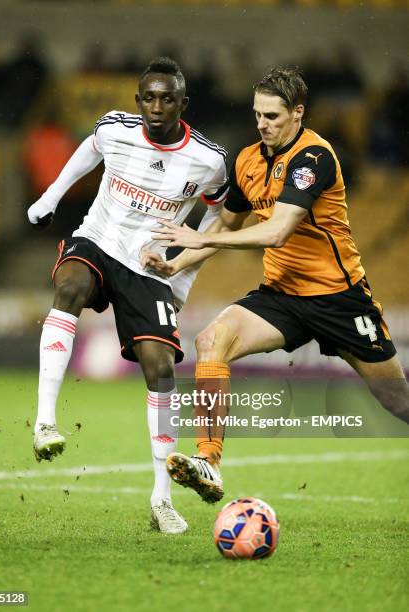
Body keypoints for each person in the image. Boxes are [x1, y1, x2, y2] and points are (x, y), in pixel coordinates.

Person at [147, 66, 409, 504]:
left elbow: (277, 232)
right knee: (212, 340)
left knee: (397, 401)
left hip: (339, 300)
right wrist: (176, 264)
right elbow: (228, 222)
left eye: (271, 116)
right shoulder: (248, 160)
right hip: (282, 295)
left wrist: (202, 236)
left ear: (297, 113)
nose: (262, 124)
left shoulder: (315, 158)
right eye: (257, 115)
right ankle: (208, 462)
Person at [27, 57, 229, 533]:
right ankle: (44, 422)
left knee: (160, 367)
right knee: (70, 286)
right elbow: (89, 150)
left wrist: (182, 273)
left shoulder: (209, 159)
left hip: (149, 267)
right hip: (98, 238)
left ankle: (162, 500)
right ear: (138, 101)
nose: (157, 106)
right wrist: (52, 197)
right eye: (149, 98)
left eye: (167, 98)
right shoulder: (116, 128)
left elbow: (219, 216)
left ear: (183, 103)